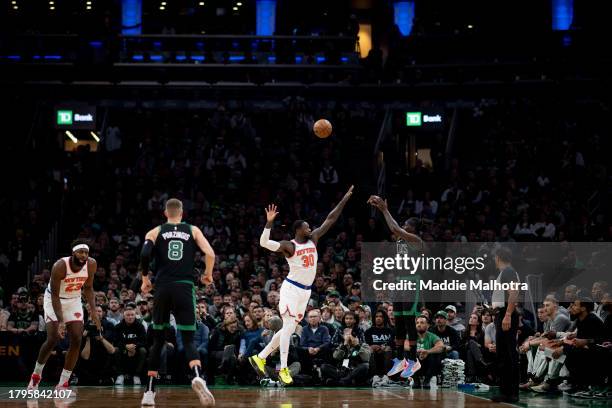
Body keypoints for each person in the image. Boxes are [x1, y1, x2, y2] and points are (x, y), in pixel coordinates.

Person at [249, 186, 354, 385]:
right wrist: (269, 223)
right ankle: (283, 369)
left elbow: (330, 219)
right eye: (306, 227)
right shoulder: (289, 246)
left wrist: (344, 200)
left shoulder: (313, 239)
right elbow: (264, 243)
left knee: (289, 328)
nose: (310, 229)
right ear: (299, 229)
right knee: (288, 328)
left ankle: (261, 357)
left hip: (305, 292)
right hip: (291, 288)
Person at [139, 198, 216, 406]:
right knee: (189, 339)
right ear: (181, 213)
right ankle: (197, 375)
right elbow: (210, 253)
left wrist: (145, 279)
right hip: (184, 287)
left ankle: (149, 391)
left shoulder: (155, 231)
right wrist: (208, 274)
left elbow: (145, 253)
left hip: (162, 287)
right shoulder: (193, 230)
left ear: (166, 213)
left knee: (158, 340)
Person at [27, 240, 101, 394]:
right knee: (53, 338)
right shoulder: (60, 266)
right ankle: (36, 376)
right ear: (73, 253)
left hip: (73, 299)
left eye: (86, 252)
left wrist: (93, 311)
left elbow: (88, 288)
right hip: (54, 299)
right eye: (80, 252)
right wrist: (61, 321)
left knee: (76, 338)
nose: (83, 255)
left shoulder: (91, 264)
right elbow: (54, 295)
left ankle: (63, 383)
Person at [367, 196, 423, 372]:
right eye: (404, 224)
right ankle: (400, 359)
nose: (404, 226)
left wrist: (384, 209)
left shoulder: (416, 240)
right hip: (399, 282)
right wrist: (383, 211)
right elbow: (393, 227)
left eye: (407, 225)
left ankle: (413, 360)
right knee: (397, 321)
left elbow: (395, 227)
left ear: (413, 229)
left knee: (408, 322)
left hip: (411, 282)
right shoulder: (400, 240)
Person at [490, 246, 520, 403]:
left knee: (508, 354)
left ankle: (511, 392)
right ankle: (506, 391)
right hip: (502, 314)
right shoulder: (506, 272)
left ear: (498, 257)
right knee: (503, 354)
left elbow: (514, 292)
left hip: (506, 315)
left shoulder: (508, 271)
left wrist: (507, 314)